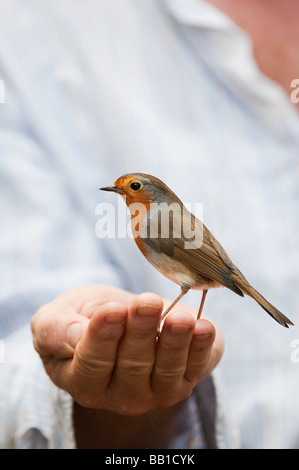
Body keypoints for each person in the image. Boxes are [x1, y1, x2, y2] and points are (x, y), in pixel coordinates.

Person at [0, 0, 298, 449]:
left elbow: (193, 264)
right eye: (123, 188)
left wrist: (220, 281)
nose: (124, 193)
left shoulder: (154, 222)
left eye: (132, 187)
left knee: (183, 287)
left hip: (211, 269)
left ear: (150, 194)